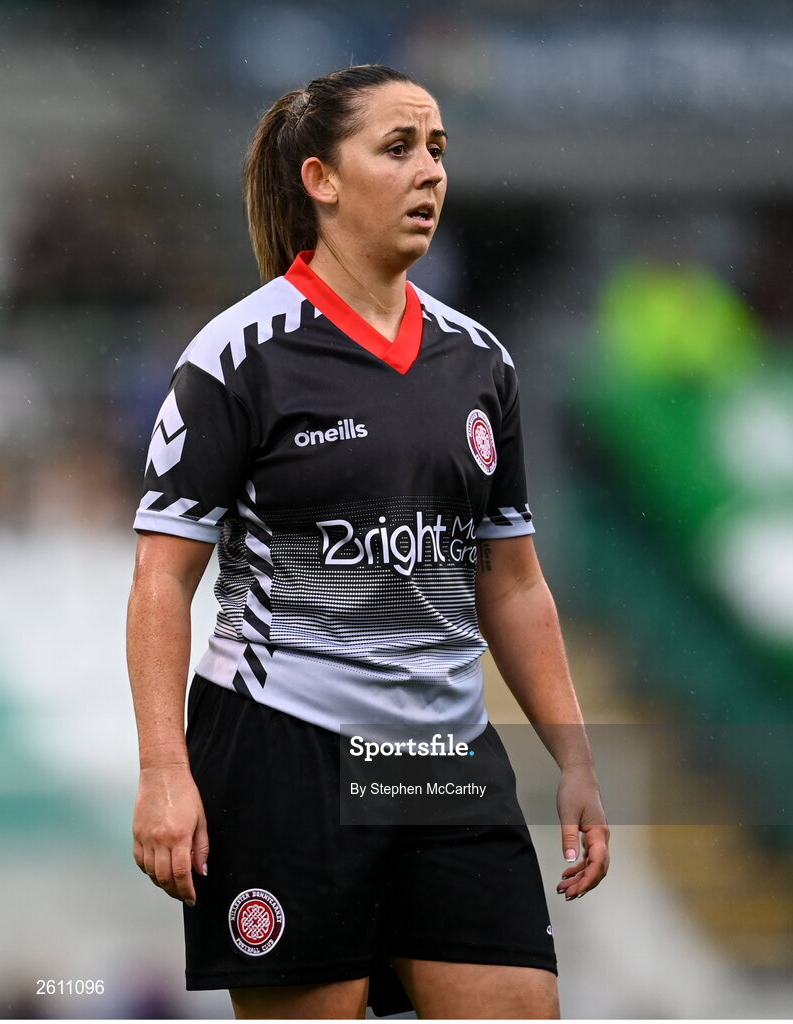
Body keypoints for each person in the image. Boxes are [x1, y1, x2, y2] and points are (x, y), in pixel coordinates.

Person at [127, 64, 610, 1020]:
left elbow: (510, 582)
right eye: (398, 148)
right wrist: (163, 773)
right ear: (320, 179)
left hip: (444, 750)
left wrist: (575, 758)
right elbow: (159, 583)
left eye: (437, 148)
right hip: (284, 743)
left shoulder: (480, 361)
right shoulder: (236, 355)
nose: (429, 171)